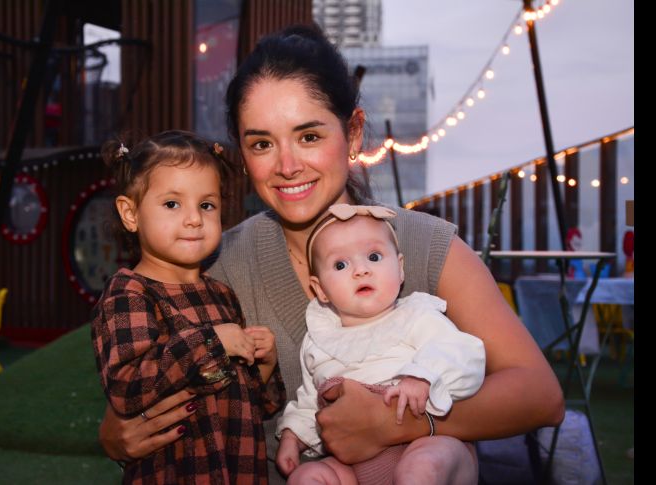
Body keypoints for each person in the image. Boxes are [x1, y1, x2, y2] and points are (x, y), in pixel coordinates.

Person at [98, 24, 564, 484]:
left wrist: (395, 423)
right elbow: (145, 378)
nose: (286, 165)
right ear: (241, 153)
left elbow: (540, 395)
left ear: (354, 132)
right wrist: (119, 429)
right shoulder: (218, 262)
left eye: (309, 136)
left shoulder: (425, 246)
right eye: (262, 143)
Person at [91, 130, 285, 484]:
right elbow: (127, 388)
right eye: (172, 204)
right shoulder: (129, 293)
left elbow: (246, 403)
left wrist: (266, 367)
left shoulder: (222, 295)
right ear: (130, 213)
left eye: (206, 205)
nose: (194, 218)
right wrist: (211, 343)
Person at [275, 203, 486, 485]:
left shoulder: (417, 316)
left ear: (399, 269)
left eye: (374, 256)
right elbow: (310, 398)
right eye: (341, 264)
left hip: (424, 442)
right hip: (353, 463)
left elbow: (463, 354)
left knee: (421, 468)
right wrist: (293, 435)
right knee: (308, 476)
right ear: (320, 289)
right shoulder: (318, 340)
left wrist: (422, 377)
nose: (361, 270)